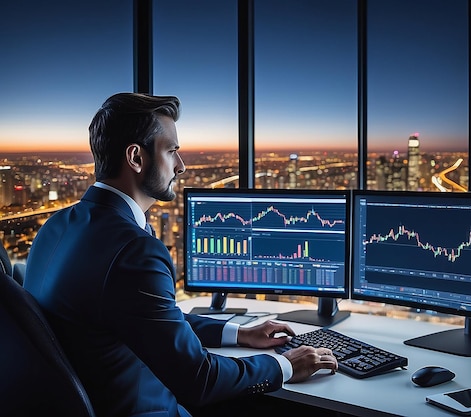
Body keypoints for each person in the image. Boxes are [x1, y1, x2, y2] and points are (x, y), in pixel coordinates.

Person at [24, 93, 338, 417]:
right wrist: (284, 365)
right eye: (172, 150)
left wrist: (239, 334)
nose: (181, 165)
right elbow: (200, 380)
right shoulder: (135, 251)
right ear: (135, 157)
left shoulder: (57, 225)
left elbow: (147, 318)